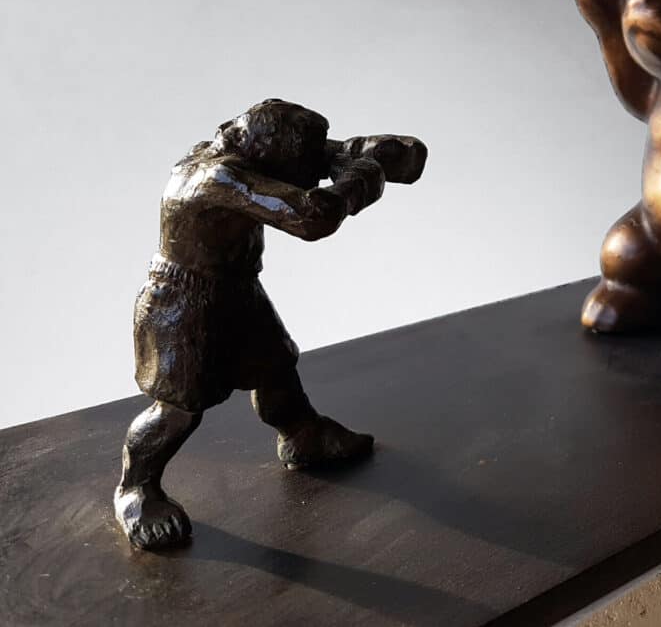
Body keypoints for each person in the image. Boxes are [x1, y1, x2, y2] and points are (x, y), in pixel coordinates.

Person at [114, 99, 427, 549]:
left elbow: (311, 155)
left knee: (275, 367)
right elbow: (311, 216)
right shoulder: (216, 177)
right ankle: (136, 489)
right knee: (178, 408)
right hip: (181, 302)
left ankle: (303, 436)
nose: (309, 166)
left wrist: (366, 151)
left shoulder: (244, 148)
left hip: (236, 287)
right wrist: (362, 179)